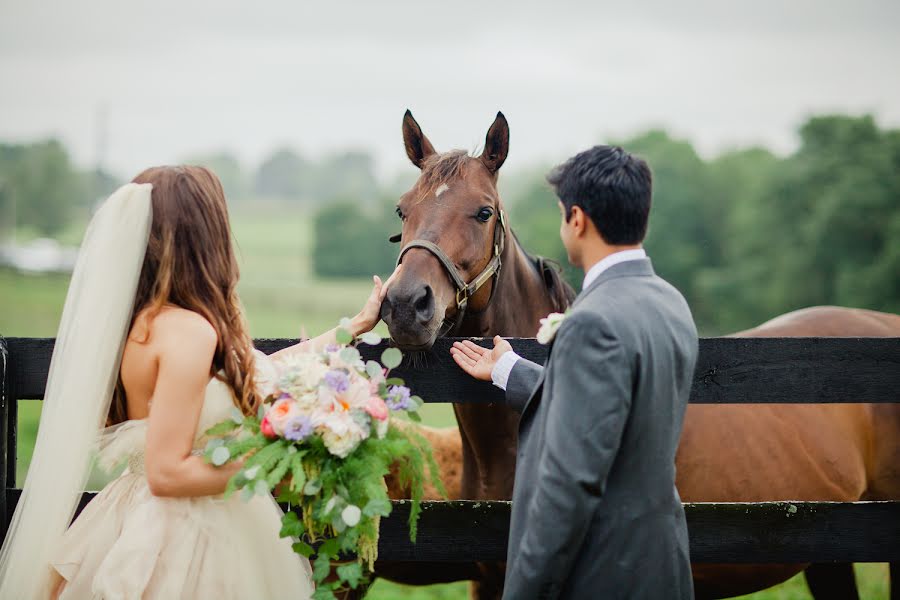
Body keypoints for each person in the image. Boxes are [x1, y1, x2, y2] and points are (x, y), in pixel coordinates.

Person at [0, 166, 395, 599]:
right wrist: (273, 457)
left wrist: (353, 326)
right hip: (183, 534)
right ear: (204, 233)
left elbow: (259, 369)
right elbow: (166, 473)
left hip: (128, 515)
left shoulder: (140, 324)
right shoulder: (189, 332)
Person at [451, 146, 698, 599]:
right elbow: (613, 408)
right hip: (661, 566)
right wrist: (511, 371)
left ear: (578, 220)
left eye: (564, 213)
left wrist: (523, 589)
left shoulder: (592, 321)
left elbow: (570, 486)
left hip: (600, 575)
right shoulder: (669, 301)